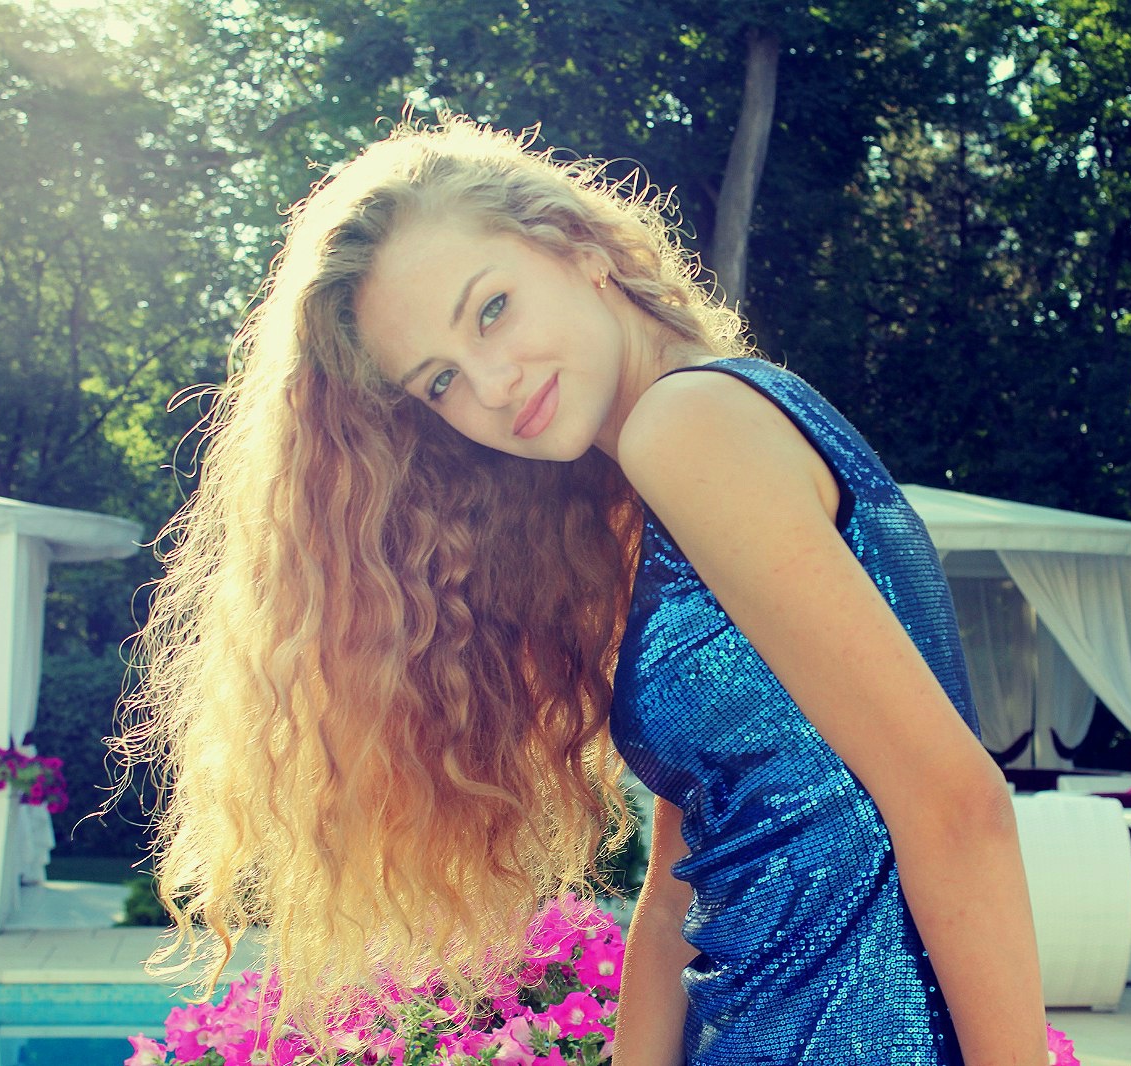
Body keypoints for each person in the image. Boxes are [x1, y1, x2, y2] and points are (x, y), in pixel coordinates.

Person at [122, 118, 1046, 1065]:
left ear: (581, 249)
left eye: (492, 309)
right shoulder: (680, 466)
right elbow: (683, 882)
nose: (490, 384)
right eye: (439, 382)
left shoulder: (689, 424)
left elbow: (957, 805)